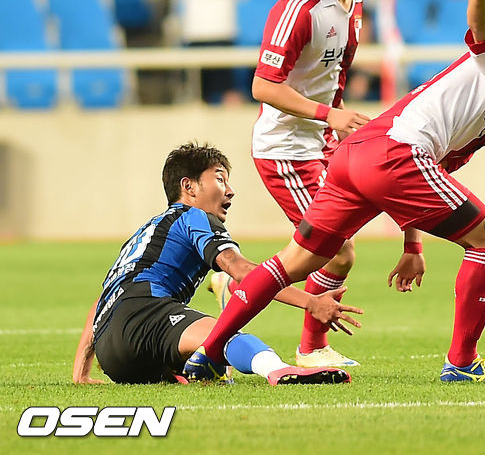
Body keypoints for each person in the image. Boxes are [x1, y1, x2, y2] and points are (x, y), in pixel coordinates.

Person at [187, 0, 485, 384]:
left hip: (358, 155)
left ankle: (208, 352)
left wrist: (413, 245)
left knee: (294, 262)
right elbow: (481, 24)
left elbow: (429, 173)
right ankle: (462, 363)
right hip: (394, 154)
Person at [220, 0, 371, 370]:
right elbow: (263, 86)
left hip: (320, 142)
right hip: (284, 148)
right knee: (338, 252)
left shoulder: (355, 1)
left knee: (337, 252)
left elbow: (335, 76)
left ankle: (243, 289)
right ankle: (307, 346)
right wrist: (329, 116)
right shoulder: (299, 9)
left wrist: (335, 125)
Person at [72, 143, 362, 385]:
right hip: (146, 314)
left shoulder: (145, 233)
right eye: (220, 179)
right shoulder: (193, 217)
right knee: (224, 338)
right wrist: (310, 302)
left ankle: (196, 357)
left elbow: (103, 300)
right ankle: (278, 370)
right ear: (189, 186)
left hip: (112, 354)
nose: (230, 190)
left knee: (214, 368)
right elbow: (244, 271)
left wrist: (81, 372)